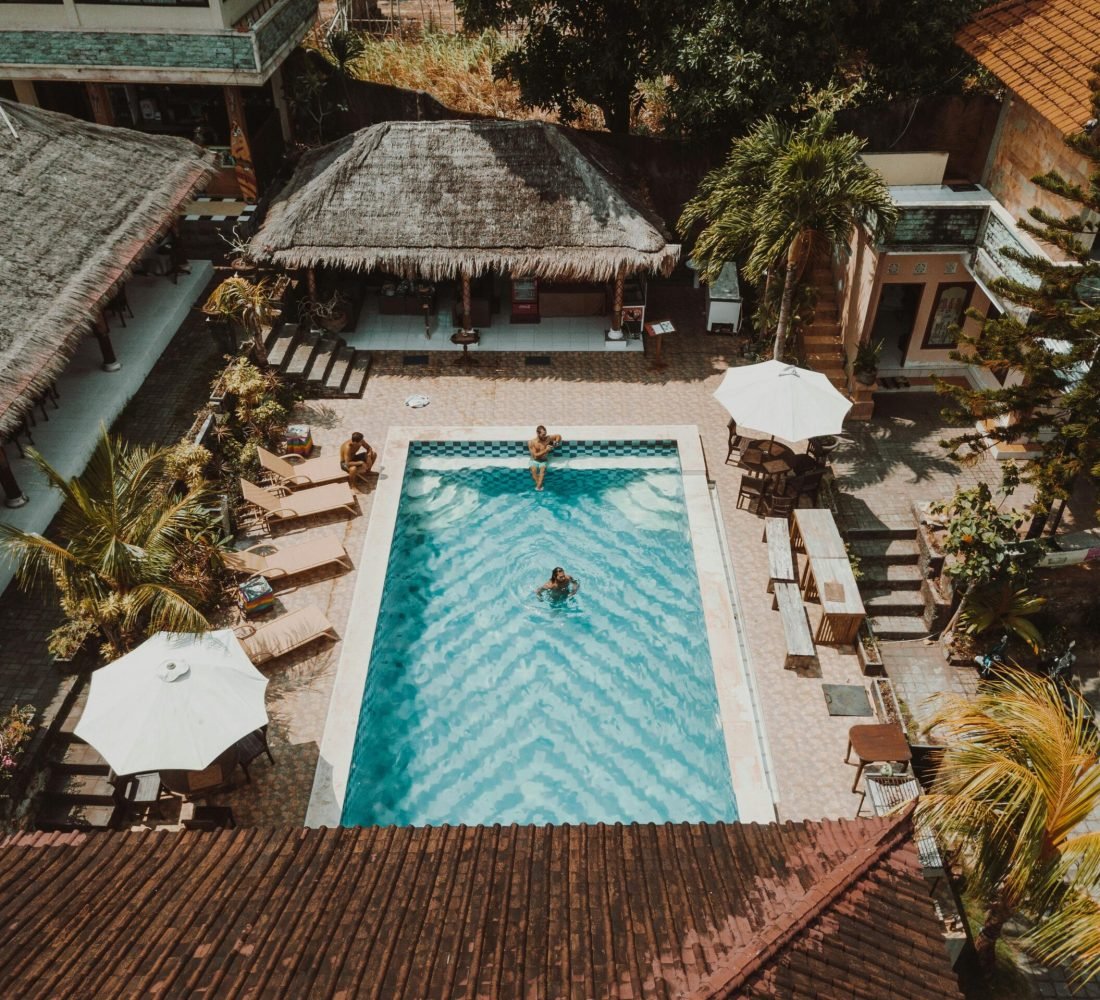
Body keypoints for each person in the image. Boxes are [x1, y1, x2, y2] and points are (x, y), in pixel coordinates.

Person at [528, 425, 562, 491]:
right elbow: (535, 455)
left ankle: (538, 488)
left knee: (542, 472)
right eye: (543, 435)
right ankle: (539, 487)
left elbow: (558, 436)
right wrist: (546, 450)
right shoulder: (532, 442)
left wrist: (556, 442)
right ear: (538, 433)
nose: (544, 436)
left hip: (543, 461)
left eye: (545, 434)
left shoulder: (548, 438)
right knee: (534, 471)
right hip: (534, 460)